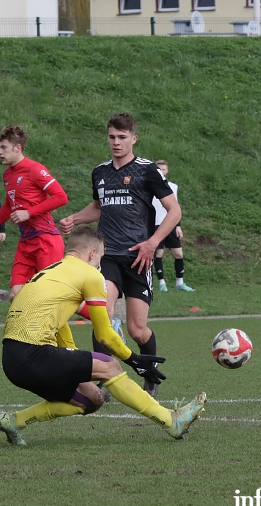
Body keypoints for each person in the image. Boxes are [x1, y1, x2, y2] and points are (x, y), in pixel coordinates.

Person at [0, 226, 206, 446]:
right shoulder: (90, 274)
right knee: (109, 365)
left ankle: (14, 421)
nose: (100, 265)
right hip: (32, 353)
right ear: (92, 254)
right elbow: (104, 334)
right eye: (101, 258)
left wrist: (75, 362)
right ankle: (171, 421)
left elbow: (58, 324)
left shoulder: (51, 272)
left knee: (92, 400)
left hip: (13, 359)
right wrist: (135, 359)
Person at [59, 113, 181, 398]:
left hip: (139, 257)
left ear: (133, 139)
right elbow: (99, 208)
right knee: (103, 313)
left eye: (122, 138)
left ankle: (151, 375)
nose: (116, 142)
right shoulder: (100, 172)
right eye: (112, 137)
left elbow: (174, 211)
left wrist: (152, 243)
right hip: (108, 256)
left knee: (137, 330)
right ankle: (102, 378)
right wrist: (75, 218)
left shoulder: (147, 170)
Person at [0, 125, 76, 349]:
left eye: (3, 147)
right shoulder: (7, 175)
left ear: (18, 148)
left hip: (46, 240)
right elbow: (9, 204)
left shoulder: (34, 169)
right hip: (26, 243)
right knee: (16, 293)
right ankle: (36, 342)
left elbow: (61, 197)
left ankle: (69, 348)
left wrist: (29, 212)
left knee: (51, 300)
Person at [152, 160, 194, 292]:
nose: (162, 171)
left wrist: (178, 225)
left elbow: (175, 207)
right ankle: (162, 283)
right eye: (159, 169)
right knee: (158, 253)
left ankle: (179, 283)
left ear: (167, 171)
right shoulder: (149, 186)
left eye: (164, 169)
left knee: (178, 253)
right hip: (155, 224)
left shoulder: (173, 187)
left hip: (170, 224)